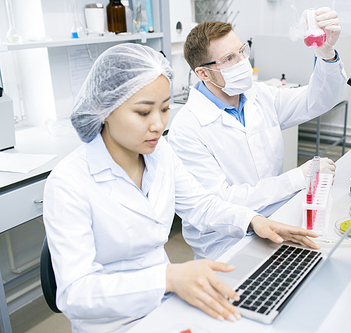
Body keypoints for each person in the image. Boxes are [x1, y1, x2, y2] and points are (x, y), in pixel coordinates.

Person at [42, 43, 319, 332]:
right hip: (114, 323)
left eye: (164, 109)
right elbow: (75, 293)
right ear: (104, 110)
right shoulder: (69, 182)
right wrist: (167, 278)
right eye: (143, 112)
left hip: (167, 302)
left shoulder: (160, 152)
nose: (158, 124)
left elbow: (200, 204)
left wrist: (253, 220)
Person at [168, 7, 347, 260]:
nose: (242, 62)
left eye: (242, 51)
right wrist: (296, 178)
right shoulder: (187, 129)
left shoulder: (259, 95)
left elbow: (317, 99)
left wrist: (326, 53)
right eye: (229, 59)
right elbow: (221, 202)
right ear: (203, 73)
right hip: (227, 243)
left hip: (277, 219)